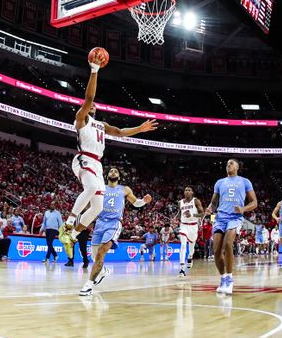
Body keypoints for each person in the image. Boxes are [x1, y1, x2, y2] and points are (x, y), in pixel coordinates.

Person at [65, 52, 158, 242]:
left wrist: (140, 128)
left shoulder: (102, 125)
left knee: (97, 207)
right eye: (90, 105)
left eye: (94, 106)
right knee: (90, 188)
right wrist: (94, 70)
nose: (92, 106)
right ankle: (68, 223)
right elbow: (89, 98)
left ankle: (72, 236)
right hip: (84, 158)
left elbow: (121, 132)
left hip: (97, 164)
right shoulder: (81, 118)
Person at [79, 167, 151, 296]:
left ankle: (89, 285)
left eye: (116, 171)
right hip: (99, 222)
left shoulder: (125, 189)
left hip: (114, 223)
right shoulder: (100, 188)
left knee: (101, 253)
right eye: (111, 171)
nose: (113, 172)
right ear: (107, 176)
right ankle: (102, 271)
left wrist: (143, 201)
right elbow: (92, 206)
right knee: (94, 256)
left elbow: (136, 203)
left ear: (119, 177)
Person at [206, 159, 257, 295]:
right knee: (216, 250)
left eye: (231, 163)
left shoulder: (244, 181)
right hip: (220, 217)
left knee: (228, 244)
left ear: (237, 167)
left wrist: (243, 208)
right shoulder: (220, 182)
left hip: (235, 217)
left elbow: (254, 202)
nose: (228, 165)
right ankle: (223, 278)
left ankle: (229, 278)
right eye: (227, 163)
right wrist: (209, 208)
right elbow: (214, 202)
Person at [177, 186, 204, 276]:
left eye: (189, 190)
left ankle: (190, 257)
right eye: (186, 190)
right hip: (183, 225)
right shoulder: (180, 202)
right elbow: (180, 214)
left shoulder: (196, 201)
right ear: (184, 192)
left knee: (191, 247)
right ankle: (182, 269)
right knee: (183, 245)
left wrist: (192, 215)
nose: (187, 191)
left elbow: (202, 213)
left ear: (192, 192)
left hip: (193, 226)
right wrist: (177, 220)